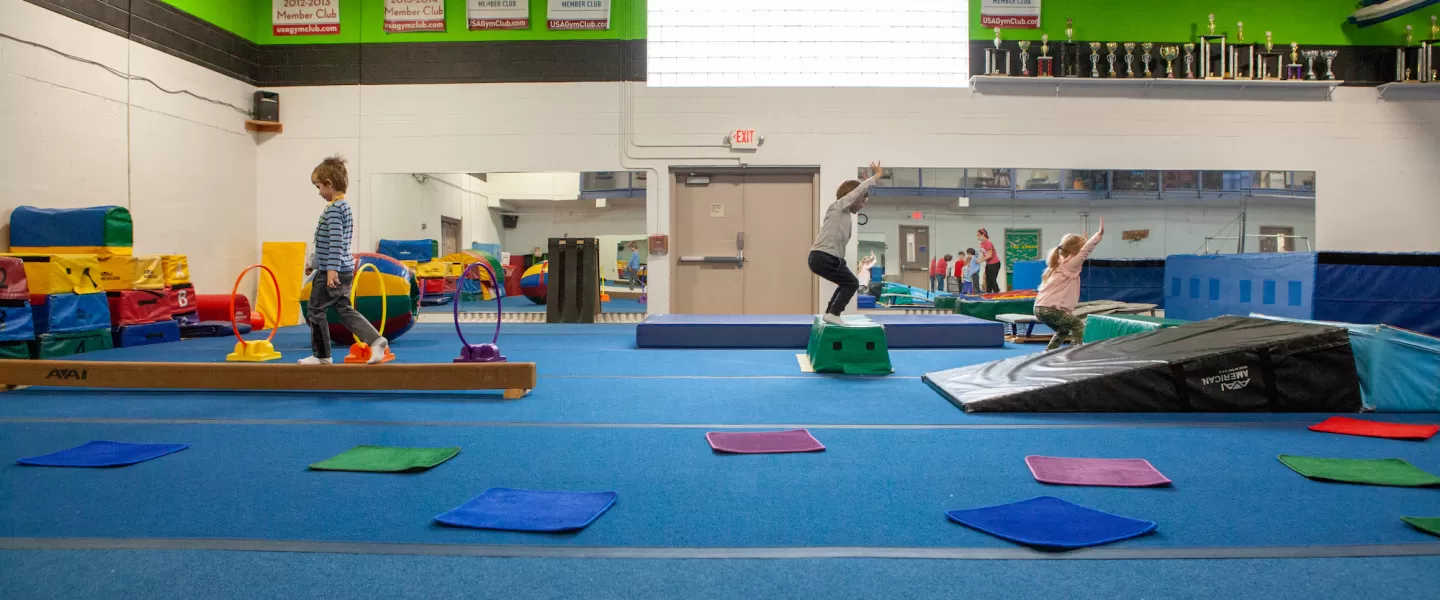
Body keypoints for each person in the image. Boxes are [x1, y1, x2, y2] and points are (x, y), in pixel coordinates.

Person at [300, 155, 387, 365]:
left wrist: (330, 270)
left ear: (329, 184)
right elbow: (327, 242)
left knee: (315, 309)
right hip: (343, 268)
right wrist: (314, 262)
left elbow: (337, 242)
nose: (319, 192)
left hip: (334, 270)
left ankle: (322, 355)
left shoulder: (334, 210)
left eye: (319, 186)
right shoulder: (343, 207)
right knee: (343, 309)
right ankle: (375, 340)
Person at [809, 161, 883, 326]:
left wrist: (841, 261)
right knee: (852, 283)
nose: (862, 205)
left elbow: (838, 245)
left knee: (846, 282)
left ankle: (830, 313)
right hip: (822, 256)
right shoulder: (838, 207)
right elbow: (856, 192)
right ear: (854, 197)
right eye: (862, 201)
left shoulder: (844, 217)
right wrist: (875, 177)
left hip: (826, 257)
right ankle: (834, 313)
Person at [1034, 218, 1105, 350]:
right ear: (1073, 253)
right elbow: (1084, 252)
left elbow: (1080, 252)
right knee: (1078, 326)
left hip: (1040, 308)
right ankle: (1074, 355)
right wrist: (1098, 236)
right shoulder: (1070, 265)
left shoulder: (1060, 262)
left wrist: (1084, 242)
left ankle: (1048, 353)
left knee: (1063, 330)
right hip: (1050, 310)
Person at [977, 229, 1001, 293]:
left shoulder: (988, 243)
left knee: (992, 280)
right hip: (989, 264)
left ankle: (997, 293)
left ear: (983, 235)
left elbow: (990, 255)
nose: (978, 237)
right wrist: (979, 260)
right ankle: (988, 293)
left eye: (978, 235)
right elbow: (984, 254)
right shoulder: (982, 244)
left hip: (995, 263)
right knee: (987, 280)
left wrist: (980, 260)